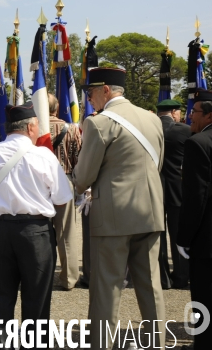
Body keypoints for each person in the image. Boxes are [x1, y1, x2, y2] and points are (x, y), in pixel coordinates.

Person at [72, 67, 165, 349]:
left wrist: (74, 183)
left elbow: (84, 176)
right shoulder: (153, 120)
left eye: (90, 93)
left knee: (106, 289)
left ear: (106, 91)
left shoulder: (99, 123)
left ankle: (102, 345)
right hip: (149, 211)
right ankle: (156, 343)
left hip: (112, 216)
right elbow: (155, 164)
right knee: (151, 286)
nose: (89, 100)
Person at [0, 101, 72, 346]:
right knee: (37, 296)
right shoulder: (43, 155)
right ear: (32, 127)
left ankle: (1, 343)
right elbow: (62, 198)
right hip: (34, 230)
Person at [177, 89, 212, 349]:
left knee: (203, 298)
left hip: (206, 240)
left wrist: (184, 238)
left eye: (195, 112)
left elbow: (195, 197)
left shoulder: (198, 143)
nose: (190, 116)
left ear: (209, 115)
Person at [48, 93, 82, 290]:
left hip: (39, 184)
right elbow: (79, 156)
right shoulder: (72, 129)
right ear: (58, 107)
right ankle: (69, 277)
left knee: (40, 232)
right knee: (66, 231)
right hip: (65, 180)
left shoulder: (36, 130)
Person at [157, 99, 191, 290]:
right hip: (178, 189)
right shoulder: (184, 131)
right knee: (179, 236)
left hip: (154, 190)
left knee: (158, 236)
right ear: (174, 112)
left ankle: (162, 277)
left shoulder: (150, 129)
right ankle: (181, 275)